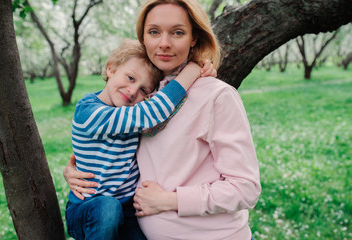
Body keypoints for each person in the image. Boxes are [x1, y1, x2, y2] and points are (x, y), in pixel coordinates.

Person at [64, 0, 261, 239]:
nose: (164, 44)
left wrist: (171, 201)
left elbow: (245, 188)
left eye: (178, 32)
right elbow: (112, 141)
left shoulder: (217, 96)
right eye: (154, 32)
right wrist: (76, 169)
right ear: (143, 38)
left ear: (194, 38)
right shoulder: (143, 96)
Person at [65, 39, 205, 240]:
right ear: (111, 68)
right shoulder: (87, 111)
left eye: (143, 90)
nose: (132, 91)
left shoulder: (132, 115)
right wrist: (192, 69)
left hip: (127, 209)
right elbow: (153, 111)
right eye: (130, 78)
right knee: (107, 207)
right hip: (87, 208)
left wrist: (204, 67)